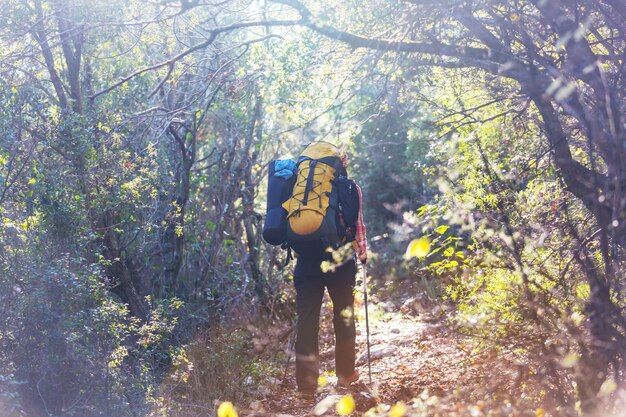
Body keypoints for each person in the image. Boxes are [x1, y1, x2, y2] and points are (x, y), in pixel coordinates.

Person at [292, 152, 367, 399]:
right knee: (343, 316)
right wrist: (363, 256)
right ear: (340, 164)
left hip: (306, 262)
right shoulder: (350, 187)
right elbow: (358, 226)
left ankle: (306, 387)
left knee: (307, 321)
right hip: (341, 260)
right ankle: (345, 377)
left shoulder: (299, 186)